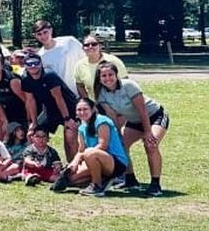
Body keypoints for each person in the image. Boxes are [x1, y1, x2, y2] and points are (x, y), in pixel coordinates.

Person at [91, 61, 168, 196]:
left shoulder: (129, 86)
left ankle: (155, 185)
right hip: (133, 121)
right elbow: (113, 116)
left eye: (110, 74)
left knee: (150, 145)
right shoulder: (101, 93)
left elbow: (142, 110)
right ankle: (130, 179)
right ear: (99, 78)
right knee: (120, 145)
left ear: (116, 75)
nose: (107, 78)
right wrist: (116, 135)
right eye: (104, 76)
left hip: (154, 116)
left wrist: (148, 131)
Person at [56, 97, 132, 197]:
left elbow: (103, 145)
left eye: (85, 109)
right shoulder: (82, 127)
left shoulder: (102, 121)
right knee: (71, 180)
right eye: (79, 110)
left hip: (115, 162)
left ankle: (97, 186)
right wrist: (73, 164)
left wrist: (86, 156)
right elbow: (81, 150)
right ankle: (102, 180)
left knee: (89, 152)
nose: (82, 112)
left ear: (93, 109)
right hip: (94, 157)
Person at [19, 51, 80, 157]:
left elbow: (59, 99)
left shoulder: (49, 76)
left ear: (41, 64)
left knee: (70, 136)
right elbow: (30, 101)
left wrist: (67, 119)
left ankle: (73, 166)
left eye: (36, 63)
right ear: (25, 66)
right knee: (32, 134)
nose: (33, 66)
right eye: (29, 63)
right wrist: (34, 122)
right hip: (50, 110)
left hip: (68, 108)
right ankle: (40, 164)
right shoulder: (25, 80)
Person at [33, 19, 86, 98]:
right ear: (35, 36)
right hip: (63, 98)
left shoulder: (69, 41)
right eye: (39, 34)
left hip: (82, 91)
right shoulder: (40, 56)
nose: (43, 36)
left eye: (45, 32)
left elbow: (86, 59)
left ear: (51, 30)